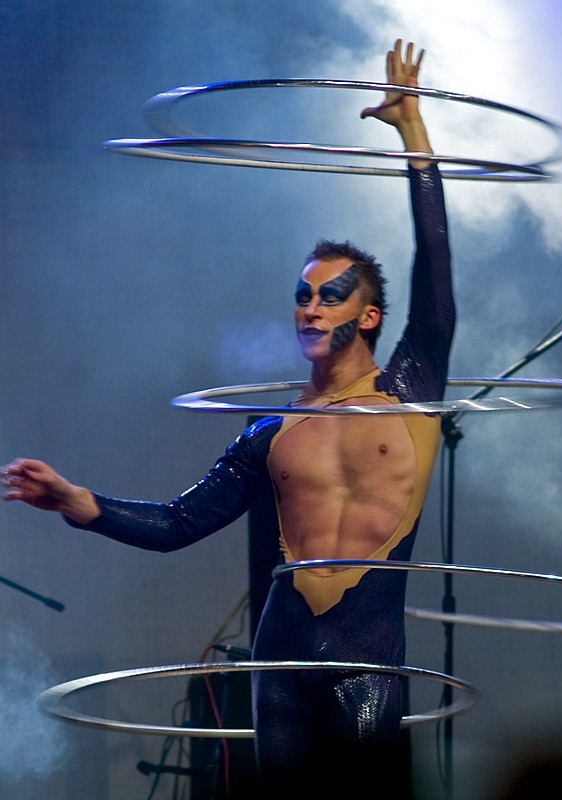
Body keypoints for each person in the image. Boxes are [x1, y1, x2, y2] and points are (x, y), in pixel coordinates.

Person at [2, 39, 455, 797]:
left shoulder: (410, 388)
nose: (309, 307)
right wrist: (79, 504)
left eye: (330, 295)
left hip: (366, 659)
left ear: (369, 314)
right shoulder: (269, 432)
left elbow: (436, 269)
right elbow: (181, 521)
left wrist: (413, 134)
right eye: (303, 295)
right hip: (279, 657)